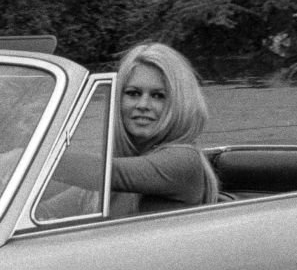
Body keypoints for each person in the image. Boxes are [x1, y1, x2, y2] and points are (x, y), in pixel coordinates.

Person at [47, 41, 220, 216]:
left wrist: (29, 156)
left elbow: (114, 173)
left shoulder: (184, 159)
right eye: (133, 93)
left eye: (158, 96)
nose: (143, 105)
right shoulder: (117, 164)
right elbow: (48, 212)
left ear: (179, 104)